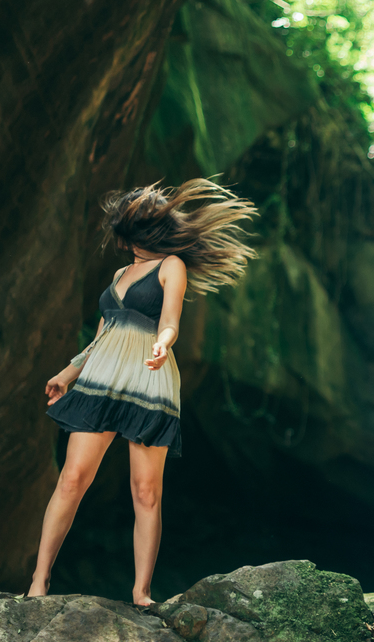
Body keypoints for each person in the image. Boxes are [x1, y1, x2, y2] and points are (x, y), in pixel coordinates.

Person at [27, 178, 255, 605]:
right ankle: (39, 581)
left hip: (150, 381)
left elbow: (170, 319)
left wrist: (164, 342)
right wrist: (67, 373)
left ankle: (141, 591)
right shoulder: (119, 275)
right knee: (73, 478)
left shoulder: (171, 266)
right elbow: (100, 339)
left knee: (146, 490)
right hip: (101, 382)